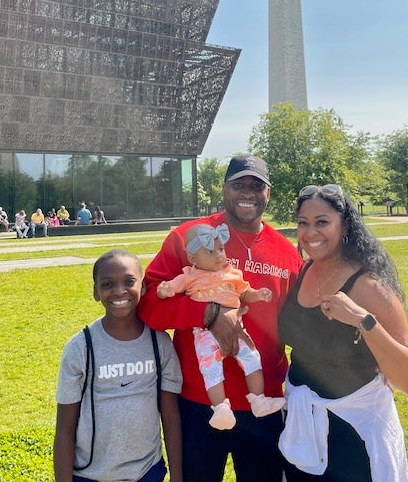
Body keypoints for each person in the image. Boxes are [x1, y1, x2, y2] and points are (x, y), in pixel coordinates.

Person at [138, 154, 301, 482]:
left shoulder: (286, 252)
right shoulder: (189, 238)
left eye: (257, 186)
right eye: (239, 184)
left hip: (264, 404)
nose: (248, 192)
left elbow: (301, 326)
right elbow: (149, 306)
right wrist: (207, 314)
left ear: (269, 193)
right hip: (200, 403)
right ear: (224, 189)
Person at [278, 184, 408, 482]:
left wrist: (363, 320)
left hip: (353, 437)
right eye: (303, 223)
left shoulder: (369, 286)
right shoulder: (305, 271)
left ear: (344, 225)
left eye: (322, 222)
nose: (310, 233)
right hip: (303, 430)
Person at [53, 250, 183, 482]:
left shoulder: (159, 342)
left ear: (142, 287)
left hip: (147, 472)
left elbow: (170, 415)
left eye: (129, 282)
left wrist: (177, 475)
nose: (119, 291)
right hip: (90, 475)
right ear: (96, 292)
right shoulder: (81, 347)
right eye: (107, 284)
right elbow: (65, 427)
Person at [157, 222, 286, 430]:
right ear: (193, 259)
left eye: (221, 249)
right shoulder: (189, 275)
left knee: (252, 358)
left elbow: (245, 292)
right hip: (205, 333)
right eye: (210, 251)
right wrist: (165, 290)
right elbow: (171, 289)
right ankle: (220, 408)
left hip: (237, 329)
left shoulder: (232, 273)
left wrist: (258, 294)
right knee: (211, 368)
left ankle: (259, 400)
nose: (219, 255)